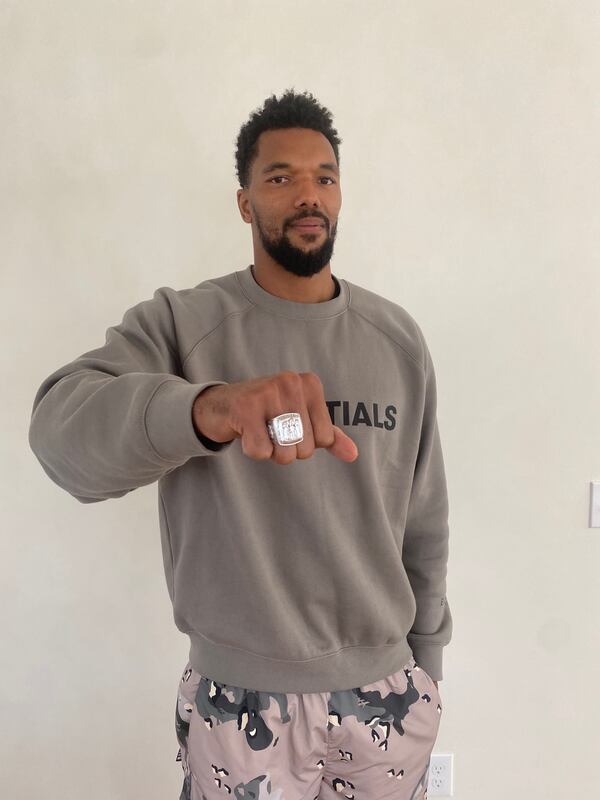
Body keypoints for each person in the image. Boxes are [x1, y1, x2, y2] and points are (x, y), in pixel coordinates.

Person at [29, 89, 452, 799]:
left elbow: (424, 520)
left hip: (387, 697)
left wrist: (429, 671)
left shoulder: (397, 338)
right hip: (241, 700)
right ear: (244, 201)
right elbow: (59, 439)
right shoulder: (182, 324)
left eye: (325, 176)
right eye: (280, 178)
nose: (307, 195)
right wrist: (205, 408)